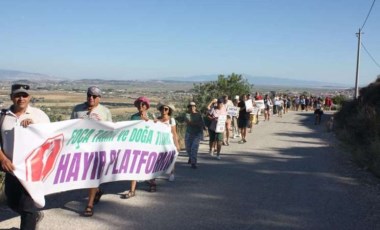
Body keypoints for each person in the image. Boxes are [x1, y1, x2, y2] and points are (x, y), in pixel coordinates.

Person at [0, 83, 50, 229]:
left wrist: (34, 127)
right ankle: (34, 217)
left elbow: (50, 139)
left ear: (29, 97)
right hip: (10, 167)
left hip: (31, 170)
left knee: (28, 207)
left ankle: (30, 219)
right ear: (11, 97)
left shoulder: (39, 115)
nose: (21, 98)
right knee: (12, 201)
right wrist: (2, 158)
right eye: (17, 95)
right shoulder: (3, 116)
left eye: (24, 95)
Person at [71, 86, 112, 217]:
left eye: (94, 96)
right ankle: (97, 191)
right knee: (84, 174)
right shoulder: (77, 109)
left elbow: (111, 130)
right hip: (81, 148)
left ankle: (89, 204)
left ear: (99, 98)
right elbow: (69, 127)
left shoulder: (105, 111)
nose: (91, 98)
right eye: (89, 95)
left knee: (92, 175)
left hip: (97, 149)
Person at [120, 96, 155, 198]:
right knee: (134, 166)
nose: (141, 106)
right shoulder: (133, 117)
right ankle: (132, 190)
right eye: (139, 104)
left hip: (148, 146)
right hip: (136, 146)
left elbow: (154, 130)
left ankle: (152, 183)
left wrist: (147, 120)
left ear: (146, 106)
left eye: (143, 104)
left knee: (149, 165)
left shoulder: (151, 118)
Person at [155, 101, 180, 180]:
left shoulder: (171, 120)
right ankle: (156, 173)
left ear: (169, 111)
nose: (164, 110)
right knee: (157, 158)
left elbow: (174, 133)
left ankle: (171, 173)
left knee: (171, 158)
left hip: (169, 142)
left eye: (166, 109)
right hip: (159, 142)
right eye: (162, 109)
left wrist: (177, 144)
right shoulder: (157, 119)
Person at [184, 102, 204, 169]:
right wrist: (198, 123)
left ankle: (193, 163)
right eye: (190, 106)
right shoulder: (187, 115)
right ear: (188, 108)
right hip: (189, 133)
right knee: (188, 148)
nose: (192, 107)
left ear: (195, 107)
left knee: (194, 148)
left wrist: (201, 126)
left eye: (193, 106)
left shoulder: (199, 115)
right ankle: (191, 157)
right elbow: (189, 122)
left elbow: (202, 123)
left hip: (197, 134)